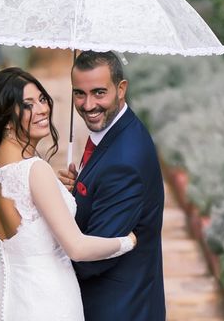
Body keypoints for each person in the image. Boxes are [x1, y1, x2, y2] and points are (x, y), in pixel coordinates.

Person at [0, 67, 137, 321]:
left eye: (41, 99)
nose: (42, 109)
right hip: (49, 300)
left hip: (8, 302)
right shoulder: (35, 171)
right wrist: (127, 242)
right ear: (6, 117)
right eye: (28, 105)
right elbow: (77, 248)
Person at [58, 51, 166, 321]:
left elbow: (92, 259)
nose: (88, 104)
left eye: (98, 93)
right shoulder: (113, 133)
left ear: (121, 89)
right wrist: (75, 191)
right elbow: (99, 193)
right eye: (79, 94)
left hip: (117, 308)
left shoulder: (125, 160)